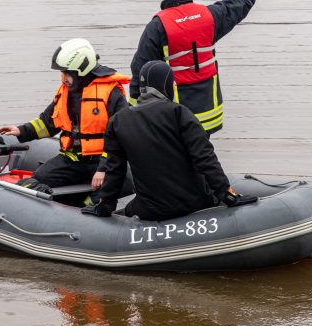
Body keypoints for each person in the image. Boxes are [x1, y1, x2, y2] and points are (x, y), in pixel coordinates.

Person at [83, 61, 254, 220]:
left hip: (149, 210)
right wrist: (226, 194)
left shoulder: (117, 122)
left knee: (126, 211)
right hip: (195, 204)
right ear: (165, 85)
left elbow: (115, 170)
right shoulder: (179, 113)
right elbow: (205, 158)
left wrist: (106, 205)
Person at [130, 0, 273, 135]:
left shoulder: (157, 26)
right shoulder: (209, 16)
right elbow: (239, 3)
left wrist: (133, 115)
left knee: (177, 157)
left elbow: (139, 70)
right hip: (209, 113)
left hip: (175, 116)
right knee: (202, 157)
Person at [0, 38, 130, 188]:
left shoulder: (111, 92)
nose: (63, 77)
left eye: (67, 73)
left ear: (81, 70)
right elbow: (47, 122)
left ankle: (87, 203)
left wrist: (103, 168)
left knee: (105, 194)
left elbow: (121, 135)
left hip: (102, 160)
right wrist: (20, 130)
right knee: (33, 182)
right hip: (72, 160)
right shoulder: (66, 93)